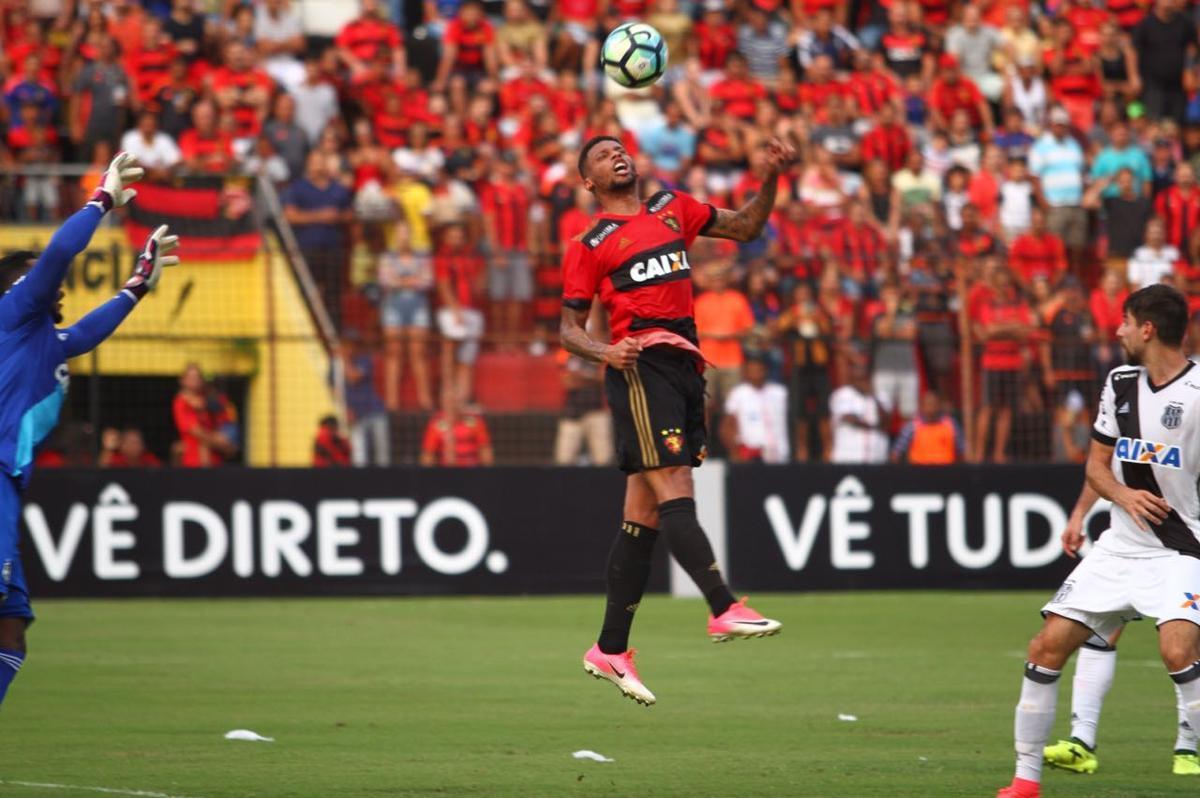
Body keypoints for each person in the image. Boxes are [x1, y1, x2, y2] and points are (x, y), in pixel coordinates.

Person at [561, 134, 789, 706]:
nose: (617, 156)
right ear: (589, 182)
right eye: (600, 156)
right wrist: (605, 352)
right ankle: (722, 605)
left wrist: (770, 178)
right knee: (676, 489)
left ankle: (610, 649)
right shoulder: (591, 242)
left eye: (619, 149)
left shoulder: (672, 207)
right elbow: (568, 330)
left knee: (643, 515)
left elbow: (746, 228)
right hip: (640, 366)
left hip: (687, 365)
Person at [997, 284, 1200, 798]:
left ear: (1148, 329)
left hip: (1182, 547)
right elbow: (1096, 465)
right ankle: (1025, 782)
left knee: (1177, 651)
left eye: (1126, 322)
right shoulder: (1120, 382)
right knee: (1046, 646)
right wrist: (1122, 497)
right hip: (1119, 547)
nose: (1118, 330)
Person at [0, 153, 179, 709]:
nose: (54, 288)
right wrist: (99, 200)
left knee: (11, 631)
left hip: (7, 482)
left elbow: (85, 333)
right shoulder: (14, 310)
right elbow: (57, 255)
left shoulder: (44, 340)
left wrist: (137, 286)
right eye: (36, 280)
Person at [1040, 480, 1200, 777]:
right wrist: (1078, 516)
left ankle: (1187, 748)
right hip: (1131, 545)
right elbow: (1101, 465)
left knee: (1183, 645)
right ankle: (1081, 742)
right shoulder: (1122, 433)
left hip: (1185, 546)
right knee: (1101, 629)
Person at [720, 355, 789, 464]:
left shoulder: (780, 393)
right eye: (753, 370)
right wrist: (735, 453)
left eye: (759, 370)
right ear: (746, 372)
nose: (757, 374)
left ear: (766, 370)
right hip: (751, 456)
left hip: (780, 456)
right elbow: (727, 427)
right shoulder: (739, 394)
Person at [829, 358, 891, 464]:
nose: (861, 382)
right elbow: (850, 419)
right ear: (852, 378)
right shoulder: (842, 394)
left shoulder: (881, 396)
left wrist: (873, 396)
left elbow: (886, 422)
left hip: (876, 457)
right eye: (858, 379)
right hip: (848, 458)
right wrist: (874, 426)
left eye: (864, 378)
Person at [418, 390, 494, 467]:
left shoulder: (475, 423)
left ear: (462, 404)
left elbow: (485, 451)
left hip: (472, 471)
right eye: (449, 402)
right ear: (443, 404)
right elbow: (428, 455)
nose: (452, 406)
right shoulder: (436, 426)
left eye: (456, 402)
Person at [890, 392, 963, 464]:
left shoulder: (951, 425)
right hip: (919, 473)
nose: (931, 408)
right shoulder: (912, 426)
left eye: (934, 404)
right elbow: (896, 453)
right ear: (922, 406)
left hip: (947, 472)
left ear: (940, 406)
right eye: (928, 404)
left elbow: (962, 451)